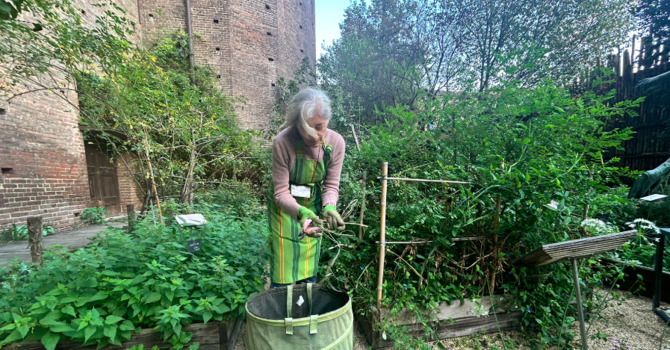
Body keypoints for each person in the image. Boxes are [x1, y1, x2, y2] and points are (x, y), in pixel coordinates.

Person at [267, 87, 346, 288]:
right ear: (296, 124)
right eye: (306, 129)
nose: (314, 135)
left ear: (328, 121)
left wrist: (329, 207)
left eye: (319, 127)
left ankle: (305, 303)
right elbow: (280, 192)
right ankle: (280, 304)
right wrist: (300, 211)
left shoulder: (336, 143)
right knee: (283, 264)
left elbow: (331, 184)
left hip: (313, 202)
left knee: (308, 261)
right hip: (284, 207)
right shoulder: (283, 142)